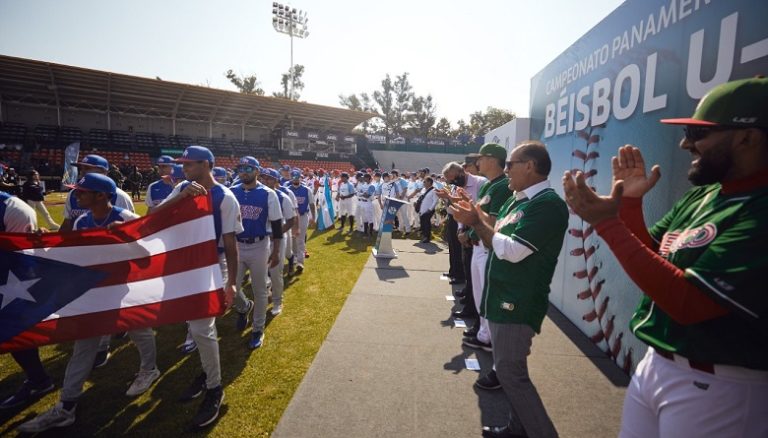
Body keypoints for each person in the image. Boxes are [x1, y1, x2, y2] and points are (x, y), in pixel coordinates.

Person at [563, 77, 768, 438]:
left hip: (722, 385)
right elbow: (655, 262)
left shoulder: (760, 208)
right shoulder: (703, 197)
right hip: (658, 365)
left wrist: (607, 223)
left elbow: (689, 301)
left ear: (747, 137)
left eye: (697, 131)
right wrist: (628, 205)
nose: (686, 142)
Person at [18, 174, 159, 434]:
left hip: (122, 290)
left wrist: (123, 239)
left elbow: (146, 259)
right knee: (84, 348)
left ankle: (149, 369)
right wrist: (42, 243)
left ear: (102, 196)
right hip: (93, 293)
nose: (77, 195)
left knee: (140, 330)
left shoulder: (126, 219)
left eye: (83, 192)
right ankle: (67, 406)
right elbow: (73, 257)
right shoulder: (83, 220)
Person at [452, 141, 568, 438]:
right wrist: (475, 216)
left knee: (510, 374)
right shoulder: (518, 200)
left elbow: (513, 250)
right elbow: (495, 230)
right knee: (510, 371)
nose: (506, 170)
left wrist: (477, 222)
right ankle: (518, 428)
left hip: (518, 301)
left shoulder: (548, 204)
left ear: (530, 166)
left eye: (511, 164)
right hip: (503, 297)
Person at [153, 145, 242, 428]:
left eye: (189, 164)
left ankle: (215, 388)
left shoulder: (225, 197)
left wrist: (231, 283)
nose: (184, 168)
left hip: (212, 265)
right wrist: (180, 197)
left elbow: (230, 244)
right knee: (195, 326)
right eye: (183, 164)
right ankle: (207, 372)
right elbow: (156, 215)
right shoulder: (182, 186)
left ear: (206, 165)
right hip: (184, 264)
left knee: (202, 328)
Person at [462, 144, 515, 380]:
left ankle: (490, 338)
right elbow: (480, 217)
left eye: (481, 158)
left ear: (493, 159)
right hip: (479, 245)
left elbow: (492, 222)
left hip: (488, 246)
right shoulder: (492, 185)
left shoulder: (502, 185)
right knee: (478, 292)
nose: (477, 163)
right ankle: (484, 335)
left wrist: (472, 231)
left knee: (486, 294)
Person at [0, 191, 55, 411]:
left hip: (9, 280)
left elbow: (20, 257)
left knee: (13, 325)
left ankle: (38, 380)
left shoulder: (14, 209)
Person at [230, 157, 283, 349]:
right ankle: (244, 307)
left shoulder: (268, 194)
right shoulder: (232, 192)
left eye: (248, 168)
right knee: (231, 286)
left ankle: (257, 328)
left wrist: (276, 251)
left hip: (259, 245)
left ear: (257, 171)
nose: (243, 171)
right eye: (241, 168)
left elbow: (277, 225)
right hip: (236, 244)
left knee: (259, 289)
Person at [261, 168, 296, 317]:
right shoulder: (258, 194)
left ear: (276, 181)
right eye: (263, 178)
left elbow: (290, 220)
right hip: (261, 238)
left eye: (269, 179)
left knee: (276, 271)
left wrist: (276, 233)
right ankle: (264, 296)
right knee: (261, 271)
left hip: (278, 236)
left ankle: (277, 301)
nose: (265, 181)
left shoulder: (283, 197)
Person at [287, 169, 316, 272]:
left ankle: (300, 261)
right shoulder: (287, 190)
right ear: (291, 178)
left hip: (303, 216)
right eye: (293, 177)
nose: (295, 179)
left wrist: (313, 217)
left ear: (300, 178)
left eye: (297, 177)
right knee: (292, 239)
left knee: (300, 239)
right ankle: (294, 257)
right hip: (290, 217)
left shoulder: (306, 189)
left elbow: (312, 204)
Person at [416, 176, 438, 243]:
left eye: (424, 182)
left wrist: (430, 209)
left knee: (426, 223)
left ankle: (427, 237)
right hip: (422, 210)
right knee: (423, 223)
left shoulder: (434, 190)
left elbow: (435, 200)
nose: (423, 183)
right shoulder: (424, 190)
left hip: (428, 210)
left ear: (429, 182)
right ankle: (424, 235)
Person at [356, 173, 376, 238]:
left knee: (370, 218)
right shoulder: (363, 185)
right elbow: (358, 193)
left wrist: (362, 194)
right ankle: (365, 232)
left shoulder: (372, 186)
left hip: (368, 203)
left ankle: (370, 233)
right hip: (362, 202)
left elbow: (367, 196)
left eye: (365, 177)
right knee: (364, 218)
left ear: (368, 178)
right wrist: (363, 194)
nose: (363, 178)